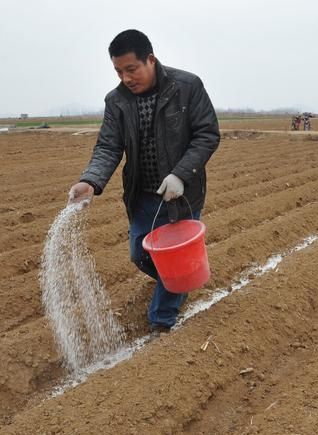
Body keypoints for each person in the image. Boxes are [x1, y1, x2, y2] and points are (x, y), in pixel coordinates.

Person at [67, 30, 220, 332]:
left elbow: (207, 134)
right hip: (142, 196)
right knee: (140, 255)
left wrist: (180, 173)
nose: (126, 77)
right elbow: (109, 146)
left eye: (131, 69)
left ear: (150, 59)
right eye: (118, 71)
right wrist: (90, 182)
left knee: (173, 257)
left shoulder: (187, 86)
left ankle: (161, 323)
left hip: (181, 194)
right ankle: (179, 282)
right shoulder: (117, 101)